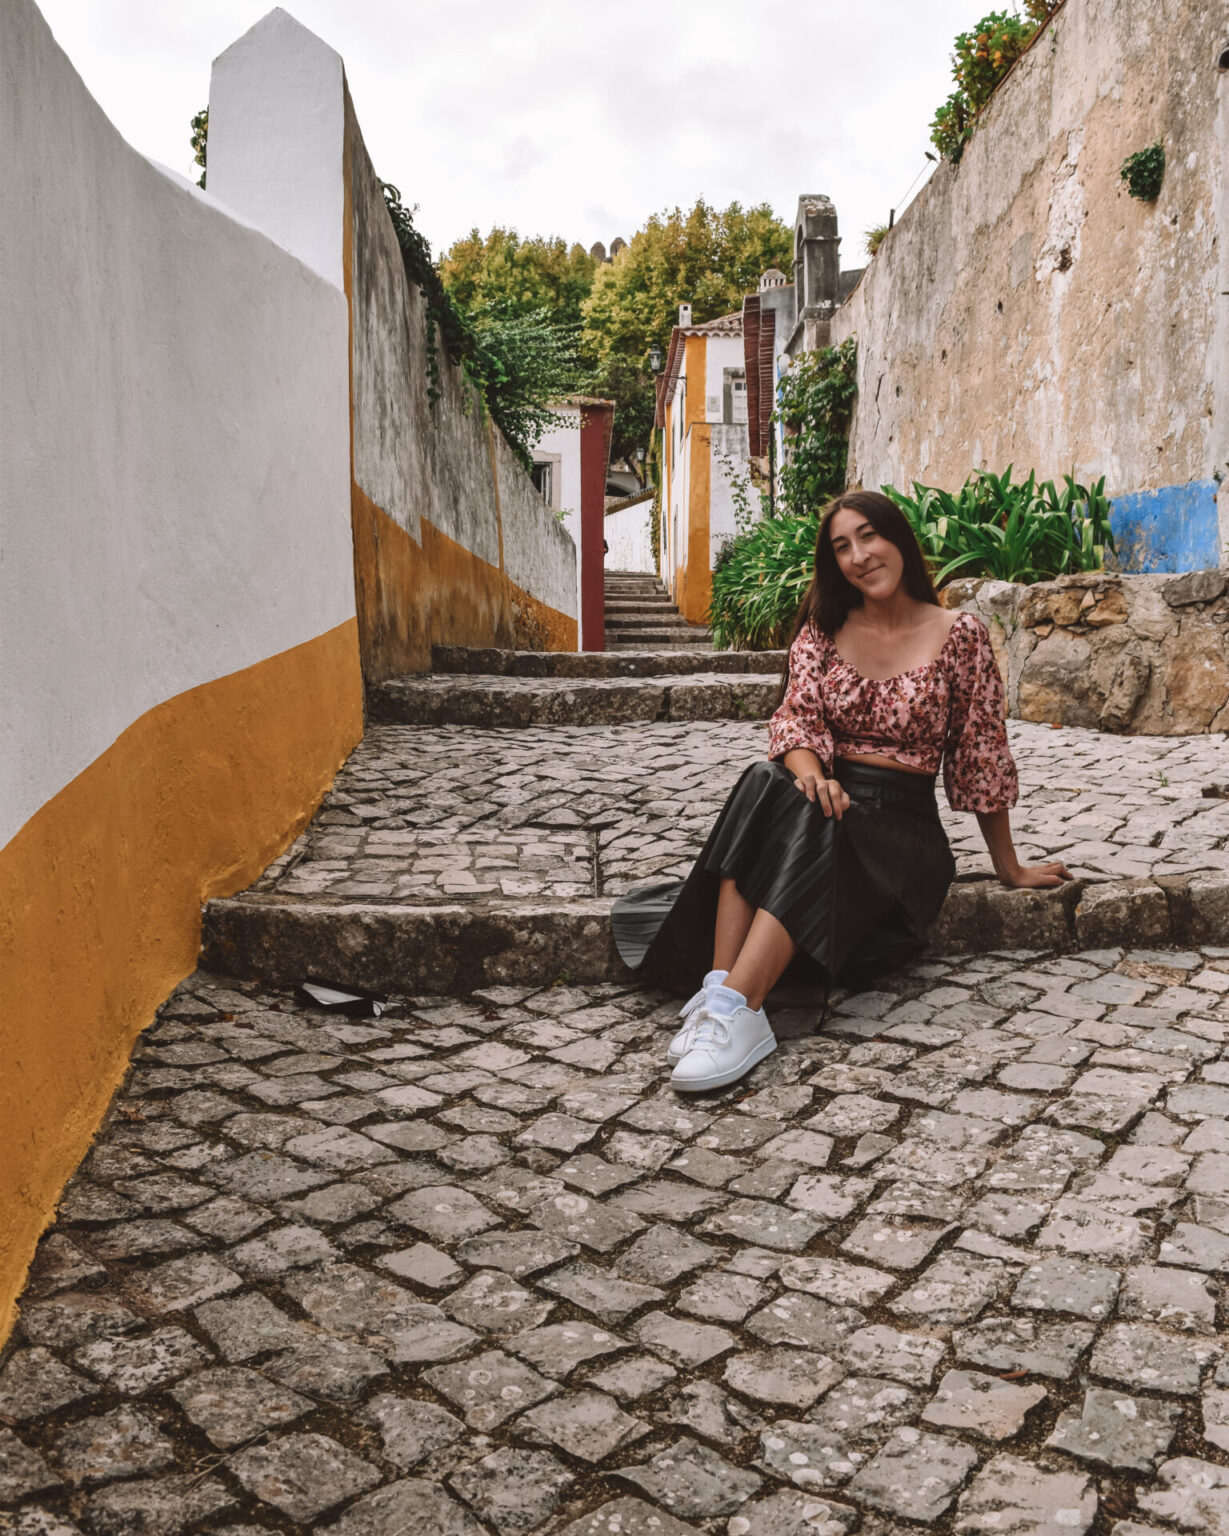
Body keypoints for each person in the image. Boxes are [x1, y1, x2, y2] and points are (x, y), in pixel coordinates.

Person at [611, 489, 1072, 1093]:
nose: (859, 555)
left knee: (819, 812)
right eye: (842, 547)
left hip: (901, 838)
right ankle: (722, 996)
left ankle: (741, 1011)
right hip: (827, 801)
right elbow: (796, 721)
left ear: (897, 538)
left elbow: (980, 755)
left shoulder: (959, 635)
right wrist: (810, 773)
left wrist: (1008, 867)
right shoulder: (823, 631)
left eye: (869, 536)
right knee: (767, 779)